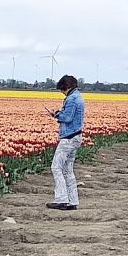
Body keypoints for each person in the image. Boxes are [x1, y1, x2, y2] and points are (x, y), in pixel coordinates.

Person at [47, 75, 84, 211]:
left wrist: (57, 115)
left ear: (66, 87)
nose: (62, 92)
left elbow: (67, 118)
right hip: (76, 137)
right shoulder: (78, 97)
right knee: (68, 170)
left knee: (56, 167)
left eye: (62, 90)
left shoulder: (72, 99)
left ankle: (61, 199)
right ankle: (72, 201)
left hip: (69, 137)